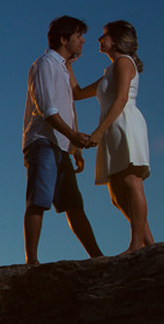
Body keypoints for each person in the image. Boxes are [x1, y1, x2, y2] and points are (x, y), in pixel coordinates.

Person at [22, 16, 104, 265]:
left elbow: (71, 103)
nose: (83, 41)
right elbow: (47, 109)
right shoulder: (45, 64)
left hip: (61, 144)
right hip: (42, 142)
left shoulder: (64, 67)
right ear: (63, 38)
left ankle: (97, 257)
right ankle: (32, 261)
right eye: (78, 36)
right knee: (38, 200)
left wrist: (74, 147)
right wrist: (72, 137)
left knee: (73, 204)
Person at [74, 20, 153, 253]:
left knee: (131, 181)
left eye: (104, 36)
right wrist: (68, 64)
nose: (100, 39)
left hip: (124, 123)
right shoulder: (110, 69)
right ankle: (150, 244)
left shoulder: (124, 62)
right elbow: (77, 94)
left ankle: (137, 244)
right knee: (117, 195)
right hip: (112, 126)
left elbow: (120, 99)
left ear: (117, 40)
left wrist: (99, 131)